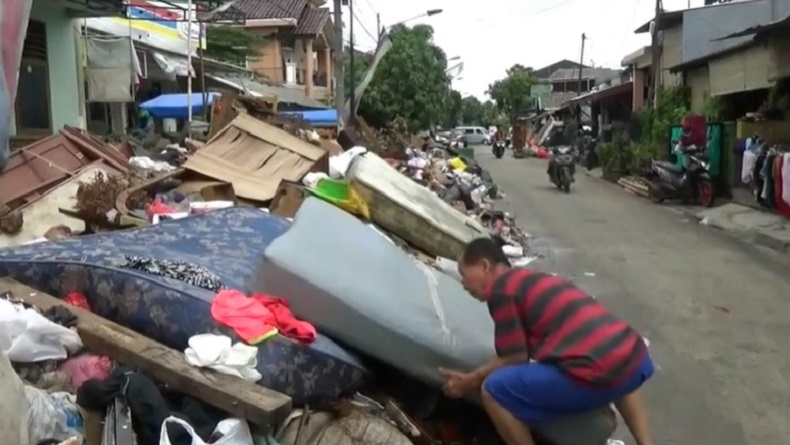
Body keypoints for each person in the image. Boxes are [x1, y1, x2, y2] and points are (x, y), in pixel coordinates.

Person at [439, 238, 656, 445]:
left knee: (494, 390)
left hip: (600, 372)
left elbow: (514, 357)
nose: (463, 284)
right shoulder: (532, 279)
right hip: (635, 358)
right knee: (616, 356)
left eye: (463, 273)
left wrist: (469, 381)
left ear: (485, 266)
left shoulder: (502, 290)